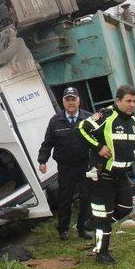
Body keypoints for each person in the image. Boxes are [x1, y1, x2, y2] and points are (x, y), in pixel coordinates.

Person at [77, 84, 135, 264]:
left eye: (134, 101)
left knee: (126, 208)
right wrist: (98, 147)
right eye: (128, 101)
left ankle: (95, 222)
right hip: (102, 176)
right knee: (104, 218)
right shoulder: (106, 115)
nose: (132, 104)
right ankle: (101, 254)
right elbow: (82, 128)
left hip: (122, 176)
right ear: (118, 100)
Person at [37, 87, 93, 241]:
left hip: (85, 165)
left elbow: (99, 141)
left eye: (73, 99)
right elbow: (47, 143)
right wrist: (42, 161)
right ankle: (63, 230)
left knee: (86, 196)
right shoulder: (55, 121)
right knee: (64, 198)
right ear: (63, 101)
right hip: (65, 167)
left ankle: (82, 228)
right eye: (67, 99)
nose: (71, 102)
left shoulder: (88, 119)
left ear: (78, 100)